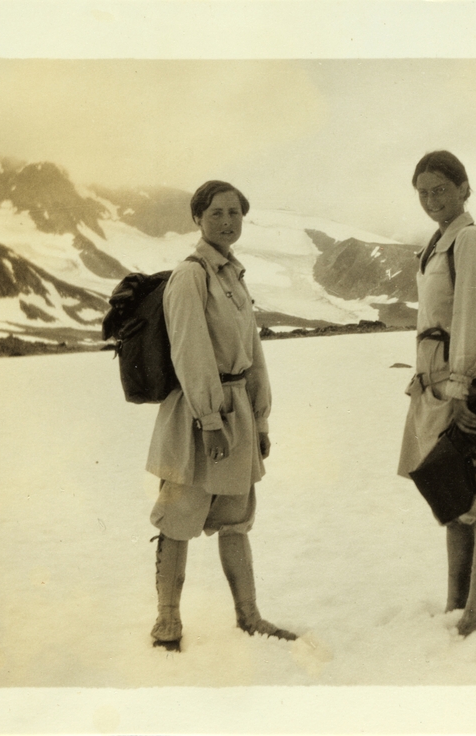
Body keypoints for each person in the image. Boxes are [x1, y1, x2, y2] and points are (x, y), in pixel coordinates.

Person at [144, 179, 296, 649]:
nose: (227, 222)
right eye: (216, 214)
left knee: (235, 516)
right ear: (198, 219)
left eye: (235, 213)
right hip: (198, 415)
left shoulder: (233, 275)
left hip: (238, 414)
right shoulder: (191, 275)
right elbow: (190, 353)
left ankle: (249, 616)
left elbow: (252, 353)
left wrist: (261, 420)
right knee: (179, 517)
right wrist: (209, 421)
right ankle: (167, 622)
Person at [397, 150, 476, 637]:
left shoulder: (468, 240)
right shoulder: (435, 245)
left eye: (440, 190)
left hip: (463, 385)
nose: (431, 200)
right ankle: (457, 604)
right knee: (451, 492)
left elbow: (474, 317)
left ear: (465, 188)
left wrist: (462, 390)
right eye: (423, 193)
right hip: (436, 385)